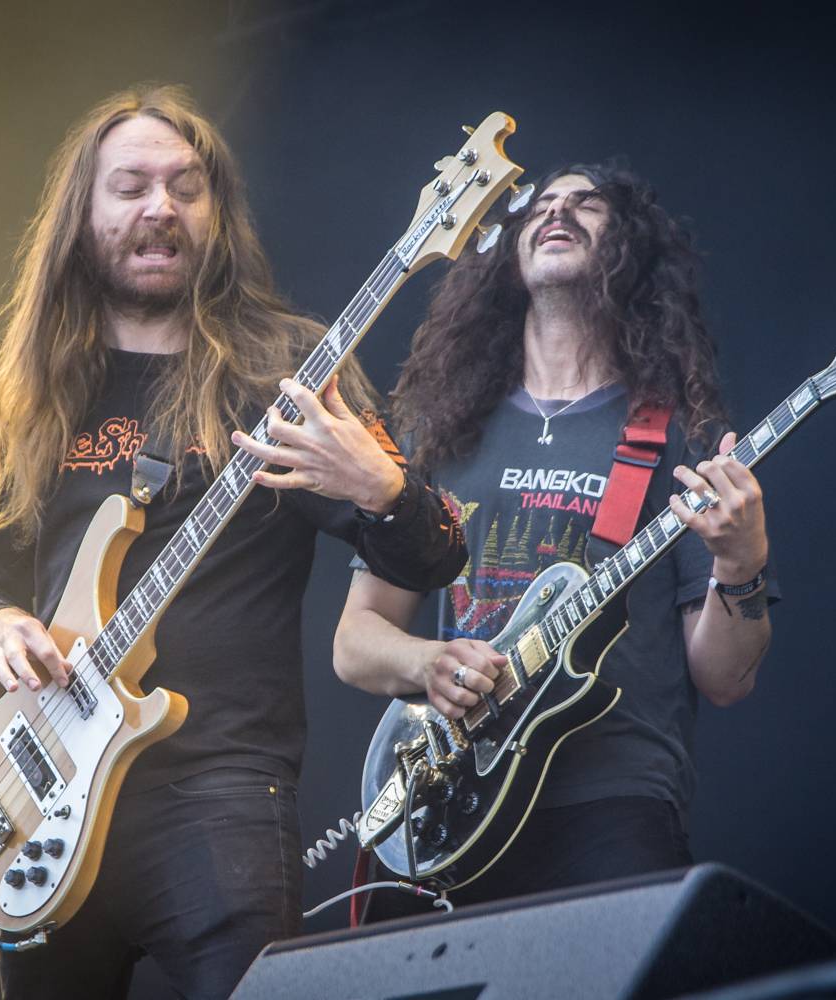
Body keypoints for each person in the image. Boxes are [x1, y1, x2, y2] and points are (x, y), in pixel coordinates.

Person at [0, 83, 465, 998]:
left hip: (219, 795)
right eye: (131, 187)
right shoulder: (38, 389)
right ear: (83, 215)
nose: (162, 207)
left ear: (216, 214)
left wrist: (381, 489)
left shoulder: (284, 370)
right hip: (45, 792)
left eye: (187, 188)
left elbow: (430, 558)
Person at [330, 162, 776, 914]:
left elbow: (726, 679)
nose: (556, 212)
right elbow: (355, 641)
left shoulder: (676, 436)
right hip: (451, 804)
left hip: (610, 801)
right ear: (508, 256)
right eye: (540, 205)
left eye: (587, 203)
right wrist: (429, 662)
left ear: (629, 249)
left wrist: (742, 561)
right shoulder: (443, 436)